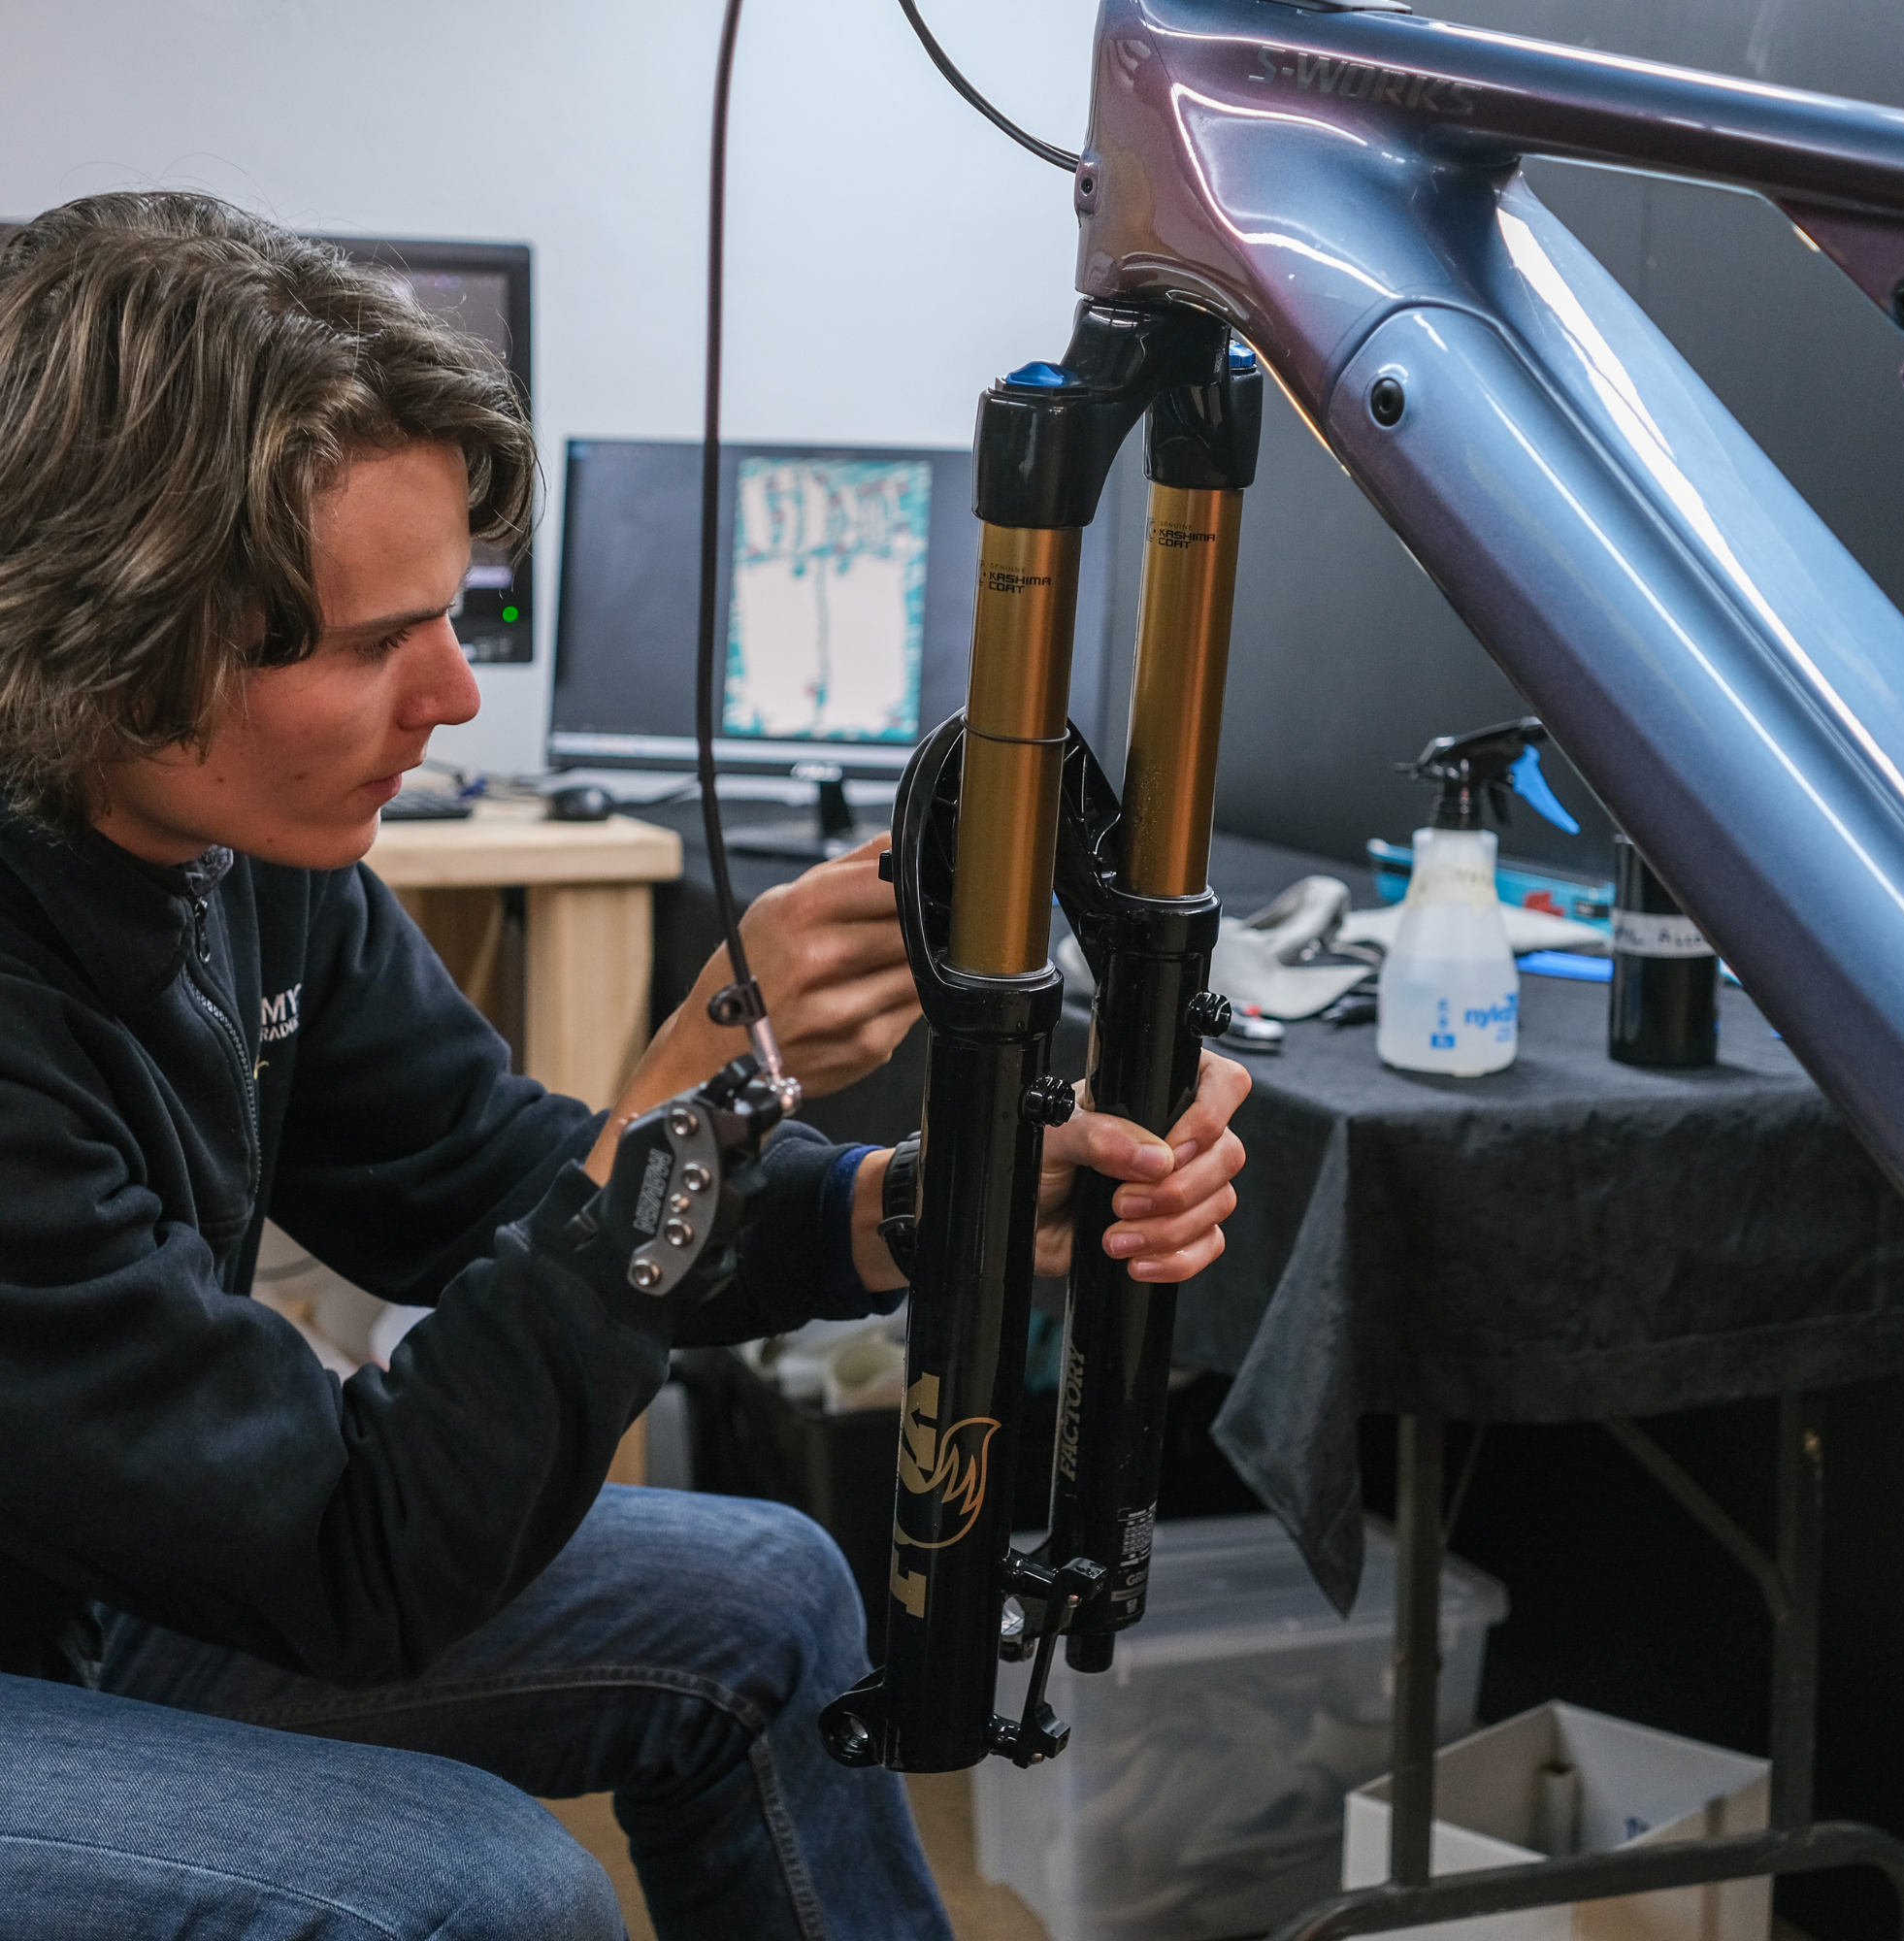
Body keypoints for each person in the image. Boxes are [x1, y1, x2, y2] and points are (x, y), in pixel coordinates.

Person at [0, 192, 1250, 1940]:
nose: (453, 696)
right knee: (479, 1898)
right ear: (105, 630)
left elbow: (487, 1180)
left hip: (103, 1565)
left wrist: (926, 1213)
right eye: (375, 644)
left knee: (768, 1603)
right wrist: (687, 1106)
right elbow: (362, 1553)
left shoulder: (253, 859)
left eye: (452, 617)